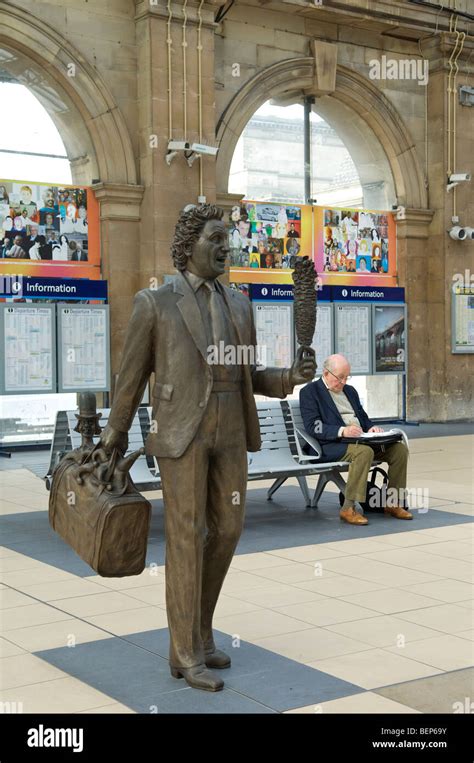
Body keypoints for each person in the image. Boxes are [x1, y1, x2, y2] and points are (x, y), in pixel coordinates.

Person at [98, 203, 315, 692]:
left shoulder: (239, 303)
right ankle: (185, 651)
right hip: (183, 432)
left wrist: (289, 378)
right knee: (185, 536)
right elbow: (130, 378)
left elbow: (250, 374)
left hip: (231, 428)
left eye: (227, 240)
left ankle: (200, 630)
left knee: (229, 529)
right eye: (216, 239)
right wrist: (114, 433)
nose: (225, 248)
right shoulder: (154, 303)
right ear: (188, 245)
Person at [300, 354, 411, 525]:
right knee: (363, 453)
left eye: (347, 377)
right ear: (326, 373)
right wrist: (342, 431)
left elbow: (363, 418)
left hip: (361, 439)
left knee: (399, 450)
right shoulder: (310, 392)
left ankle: (393, 502)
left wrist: (371, 428)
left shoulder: (350, 391)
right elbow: (313, 426)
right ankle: (348, 508)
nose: (344, 382)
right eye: (340, 377)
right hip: (330, 444)